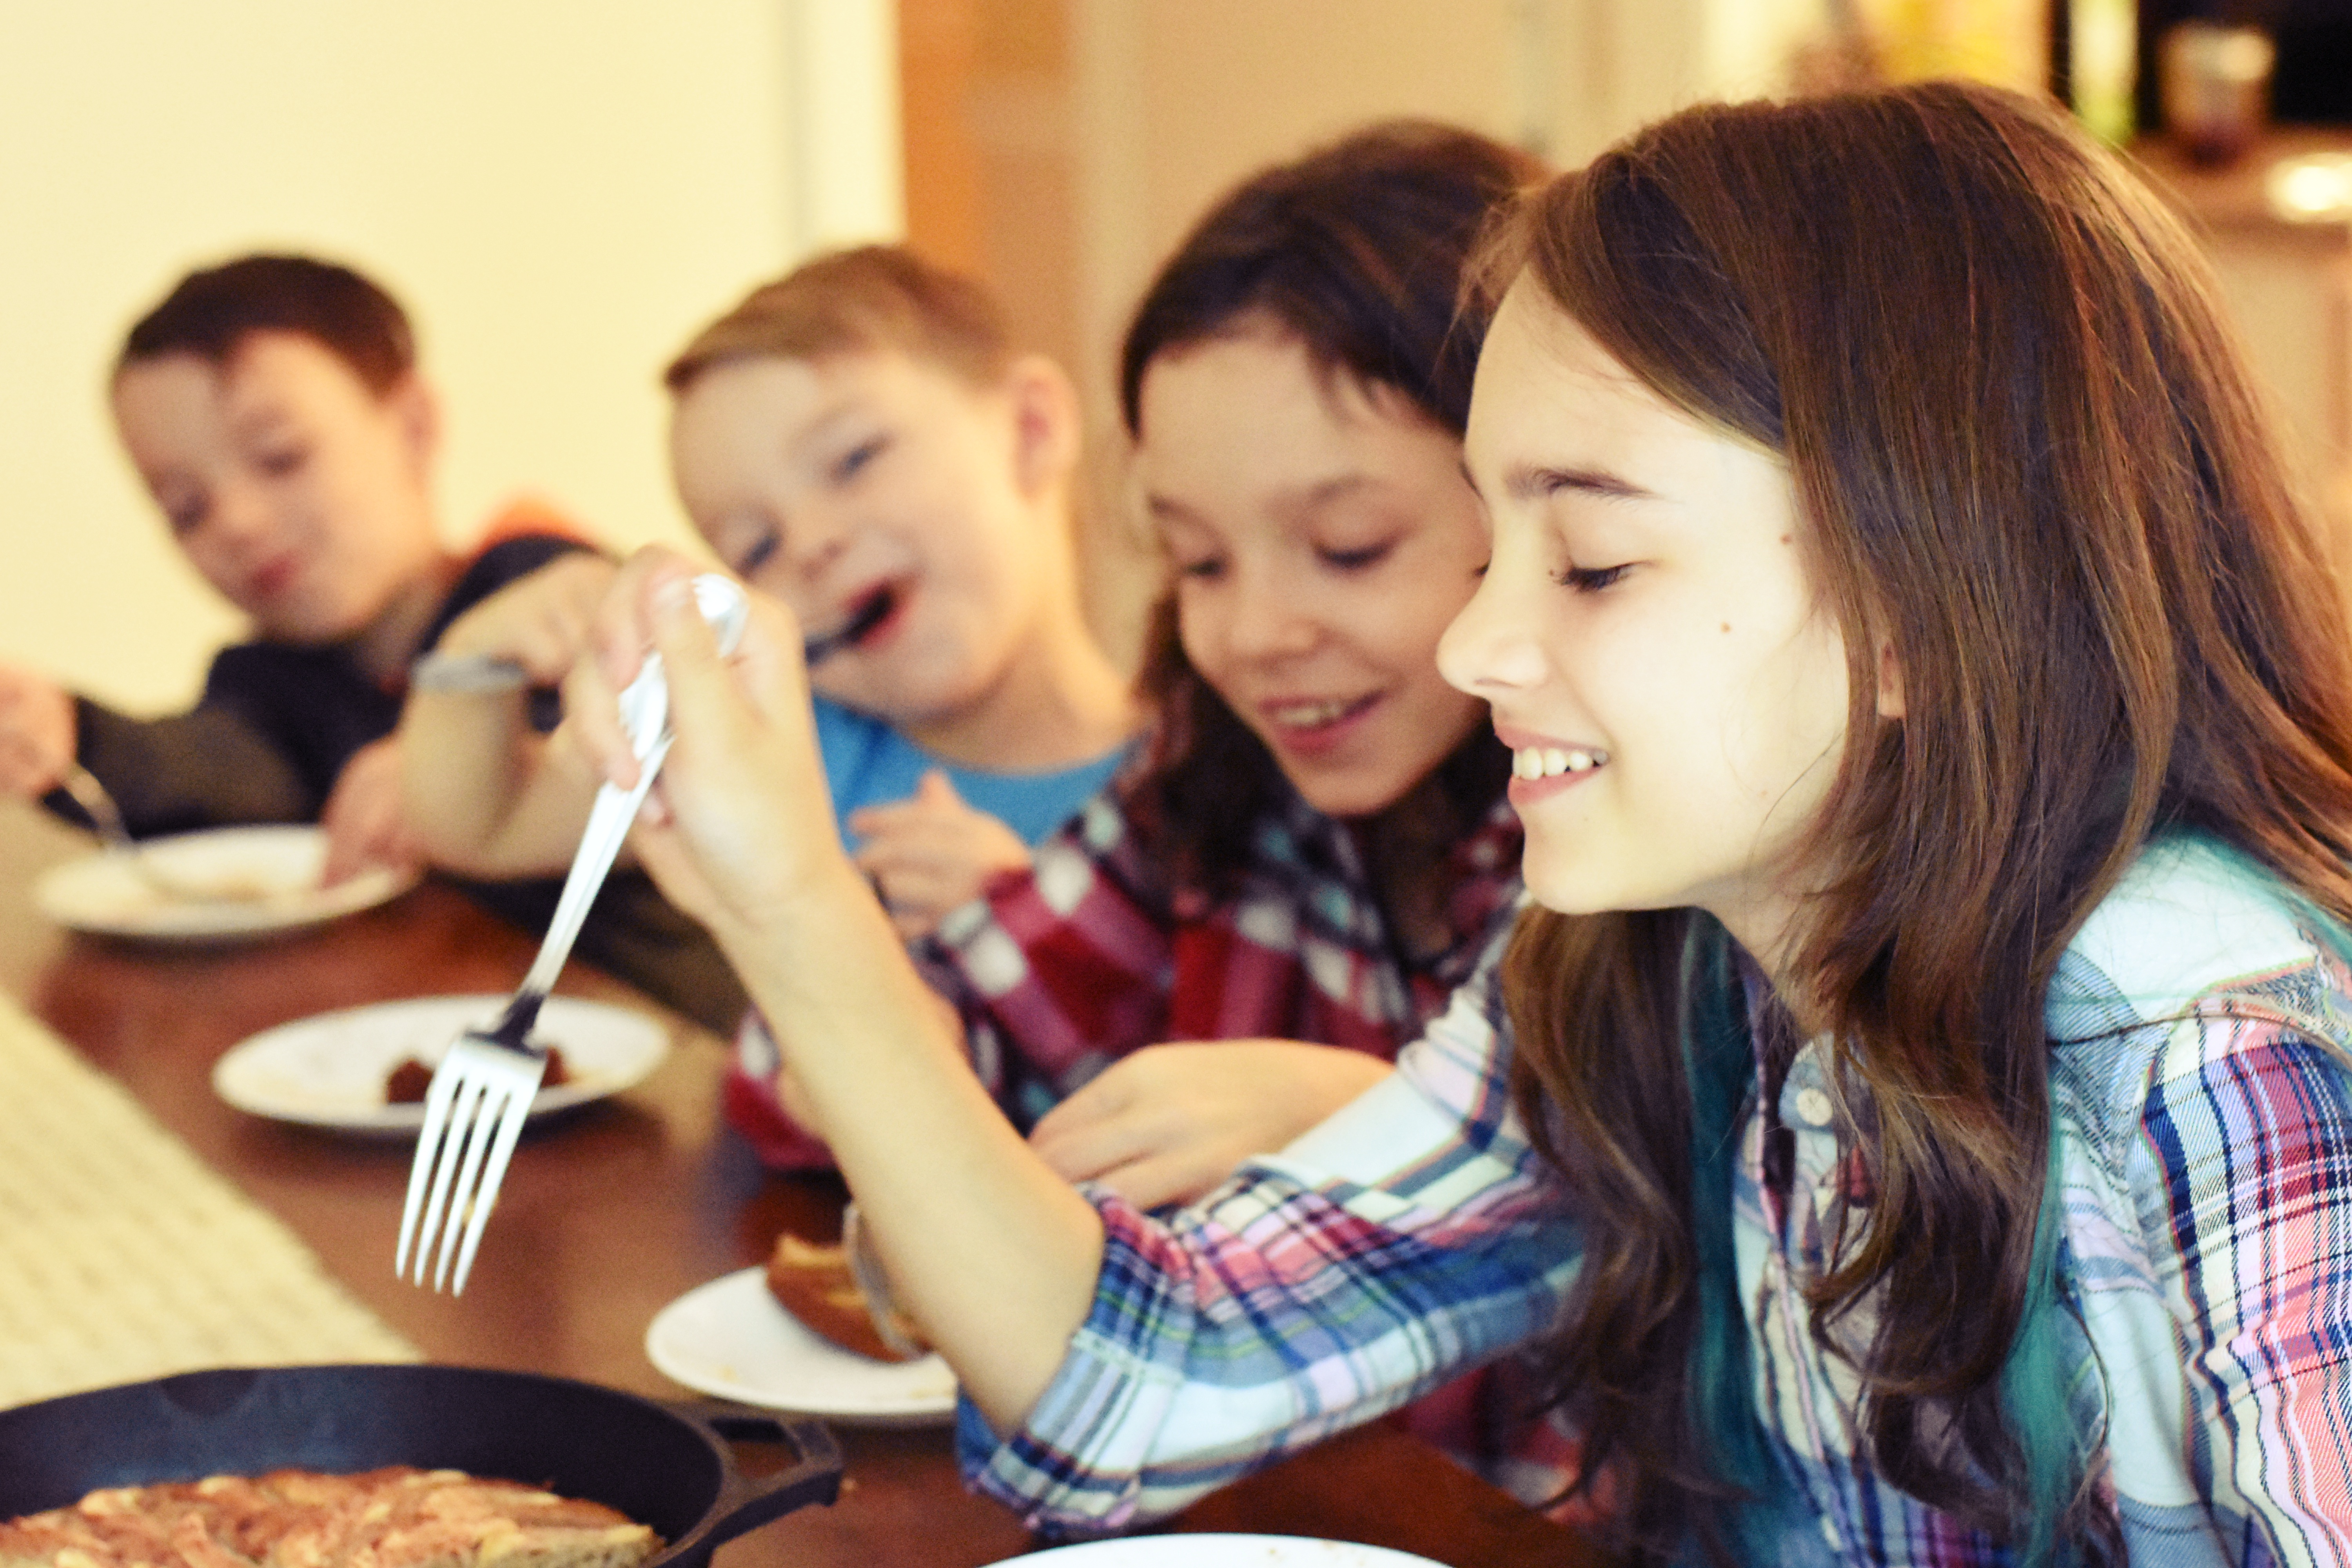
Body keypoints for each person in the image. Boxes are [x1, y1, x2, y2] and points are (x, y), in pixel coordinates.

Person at [564, 78, 2352, 1563]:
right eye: (1491, 547)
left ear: (1915, 603)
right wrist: (782, 892)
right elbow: (1139, 1376)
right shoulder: (1638, 964)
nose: (1473, 636)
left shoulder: (2202, 1056)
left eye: (1586, 557)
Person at [728, 123, 1542, 1205]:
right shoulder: (1215, 783)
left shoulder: (1621, 858)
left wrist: (1379, 1120)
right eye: (1198, 561)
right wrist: (879, 1013)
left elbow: (1670, 1245)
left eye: (1350, 548)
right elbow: (863, 1056)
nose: (1254, 634)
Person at [0, 254, 743, 1033]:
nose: (239, 522)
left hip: (687, 1043)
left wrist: (461, 758)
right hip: (459, 1051)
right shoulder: (267, 681)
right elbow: (220, 782)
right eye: (186, 508)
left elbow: (655, 731)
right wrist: (74, 732)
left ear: (414, 426)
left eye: (281, 456)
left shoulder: (539, 587)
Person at [399, 245, 1136, 952]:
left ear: (1032, 430)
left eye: (855, 459)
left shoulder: (1200, 781)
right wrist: (478, 656)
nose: (812, 543)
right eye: (757, 548)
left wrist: (1035, 932)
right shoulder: (774, 742)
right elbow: (486, 826)